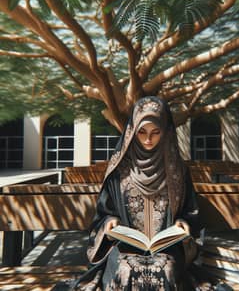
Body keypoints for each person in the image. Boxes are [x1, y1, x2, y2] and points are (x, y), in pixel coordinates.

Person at [73, 96, 202, 290]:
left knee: (165, 271)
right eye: (141, 132)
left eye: (155, 132)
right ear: (132, 131)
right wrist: (110, 222)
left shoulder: (178, 171)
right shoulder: (118, 171)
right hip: (124, 248)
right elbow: (103, 213)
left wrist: (183, 222)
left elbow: (190, 212)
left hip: (167, 249)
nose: (148, 139)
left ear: (165, 132)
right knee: (125, 271)